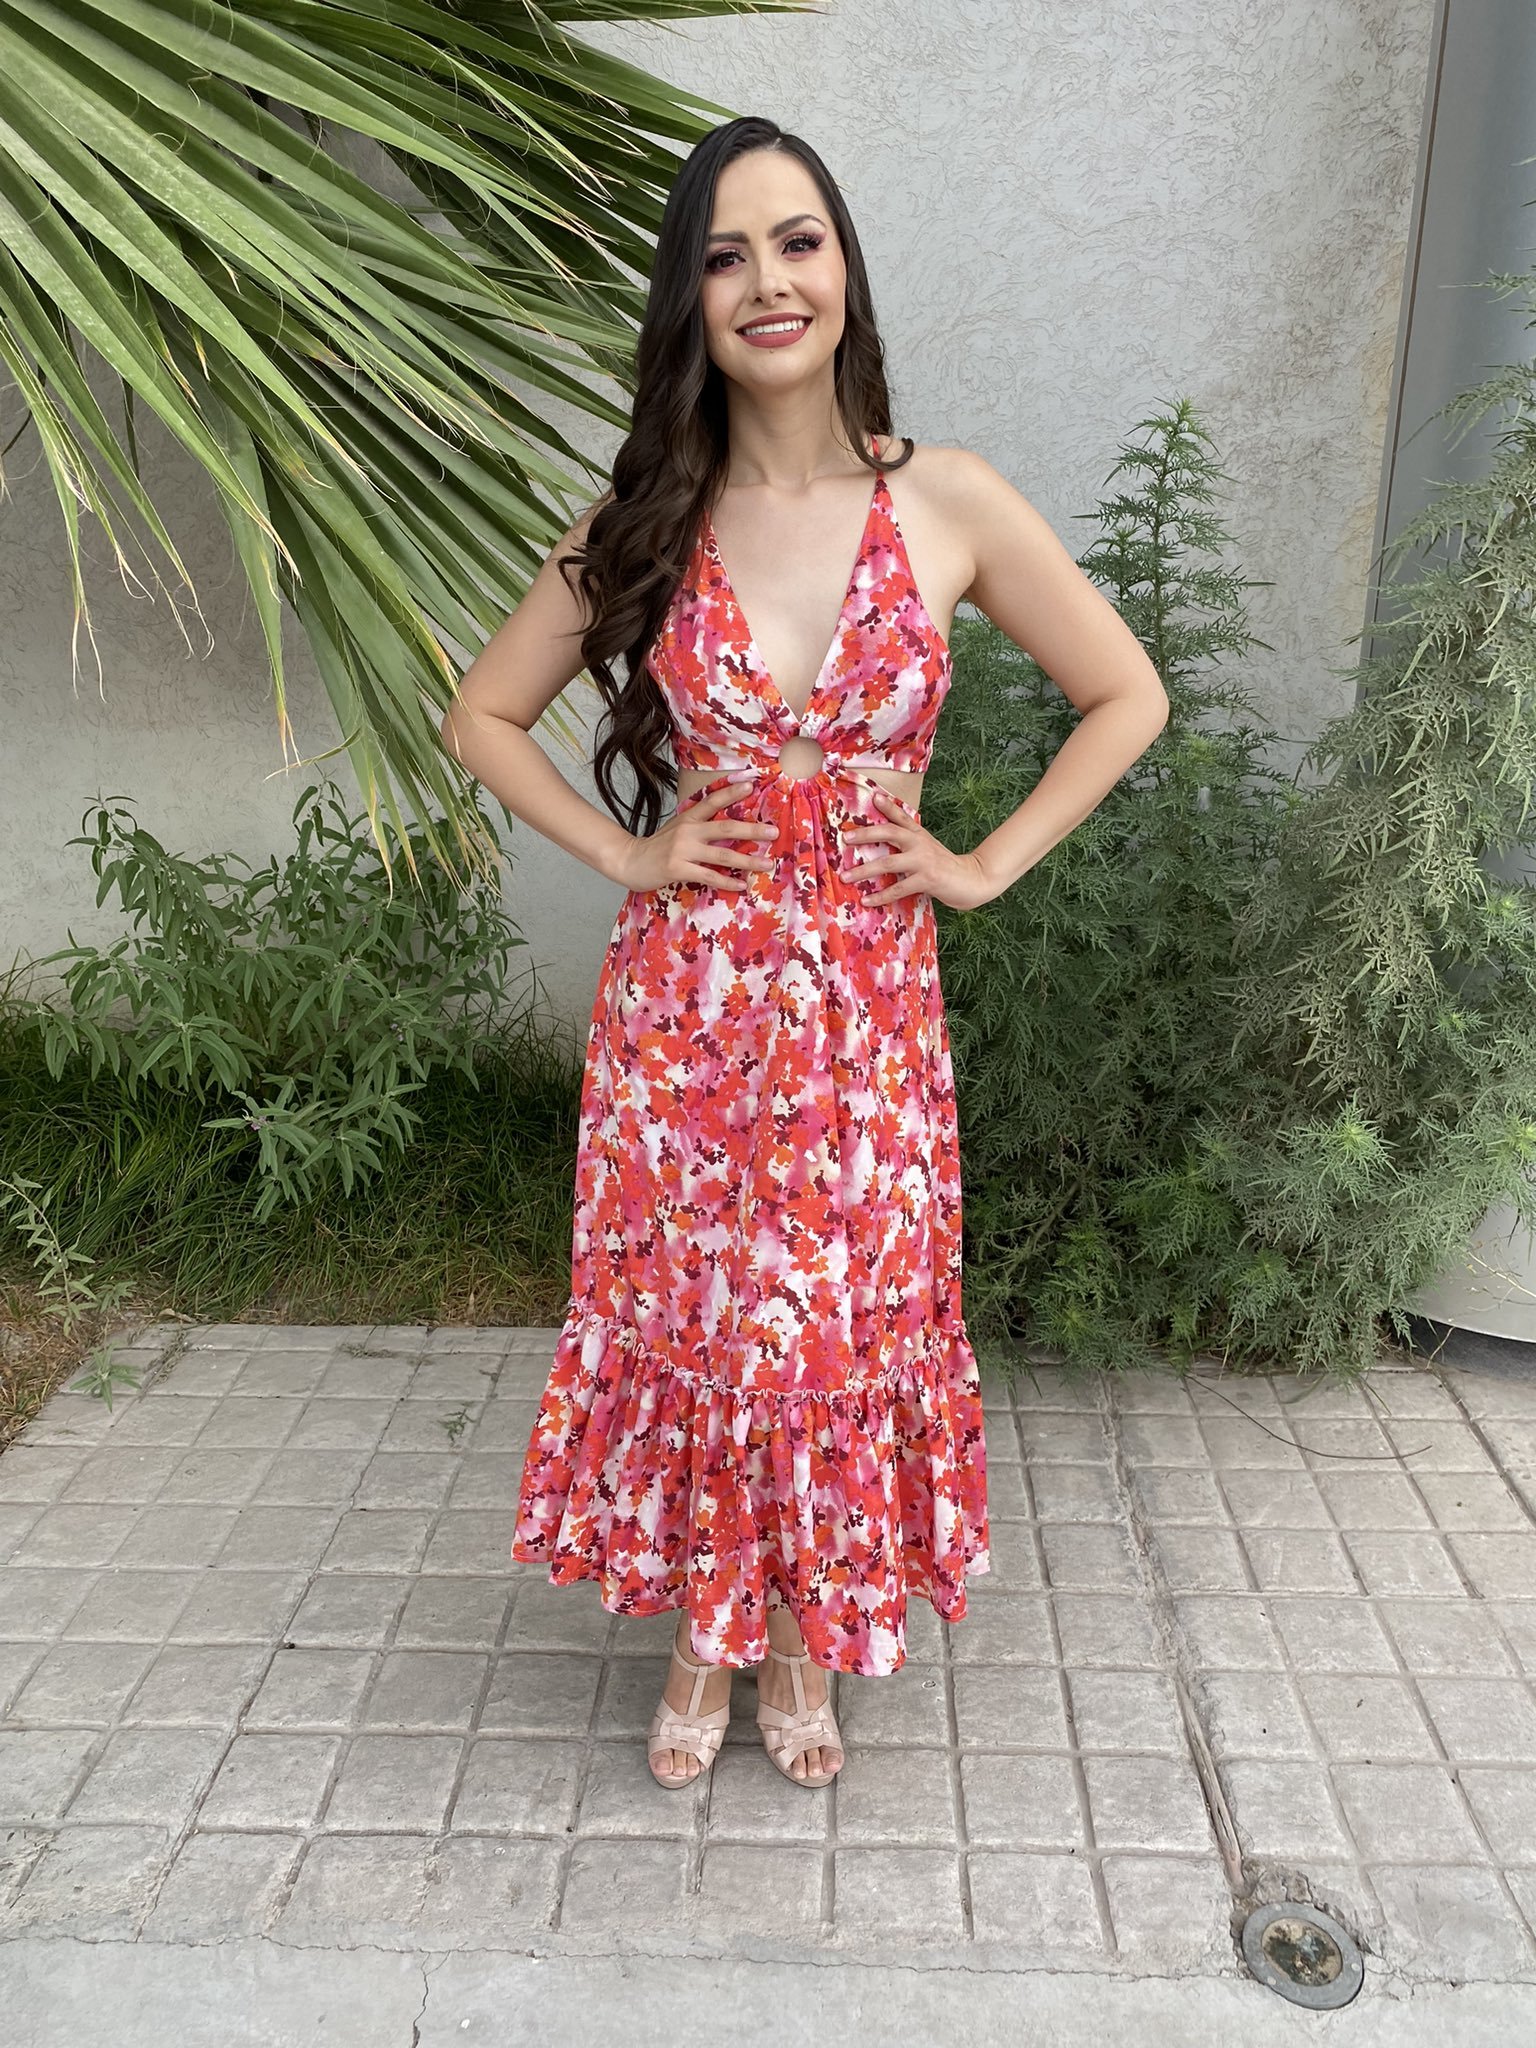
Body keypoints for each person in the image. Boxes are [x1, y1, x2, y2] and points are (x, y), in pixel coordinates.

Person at [440, 115, 1168, 1791]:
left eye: (797, 241)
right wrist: (629, 850)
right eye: (723, 255)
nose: (767, 282)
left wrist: (978, 865)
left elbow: (1124, 693)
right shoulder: (651, 516)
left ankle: (796, 1634)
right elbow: (481, 715)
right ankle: (706, 1630)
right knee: (707, 1319)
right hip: (684, 1027)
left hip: (867, 1028)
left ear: (844, 267)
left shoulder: (947, 500)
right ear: (689, 302)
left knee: (833, 1329)